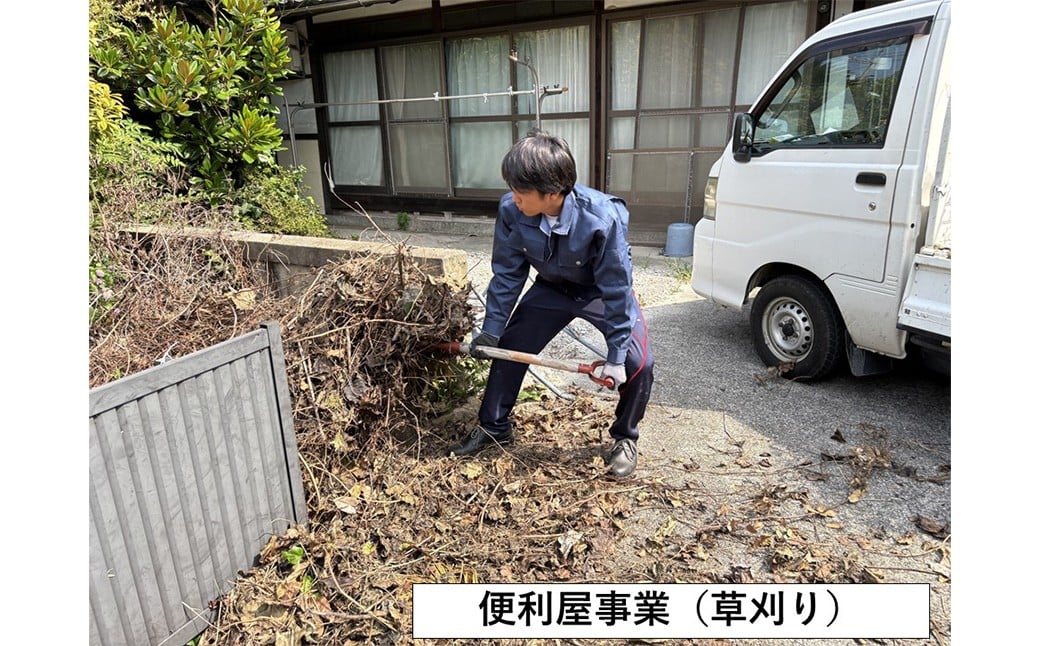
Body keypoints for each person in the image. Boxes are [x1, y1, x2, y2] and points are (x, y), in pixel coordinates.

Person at [447, 128, 654, 477]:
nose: (514, 198)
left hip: (599, 292)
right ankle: (494, 426)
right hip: (552, 288)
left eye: (521, 191)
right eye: (511, 188)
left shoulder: (602, 218)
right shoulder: (512, 210)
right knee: (509, 346)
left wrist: (616, 357)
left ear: (553, 192)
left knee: (639, 363)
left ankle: (624, 437)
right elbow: (508, 273)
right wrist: (492, 330)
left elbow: (618, 289)